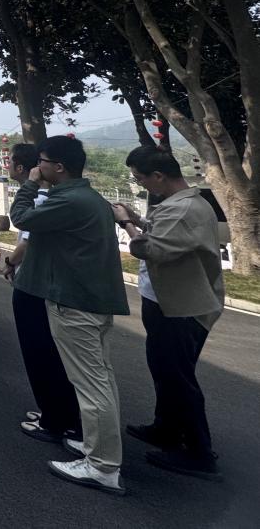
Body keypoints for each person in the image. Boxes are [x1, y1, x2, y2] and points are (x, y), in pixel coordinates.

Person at [11, 135, 129, 496]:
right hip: (90, 301)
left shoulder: (69, 200)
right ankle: (96, 445)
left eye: (42, 162)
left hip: (75, 303)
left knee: (92, 386)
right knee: (99, 380)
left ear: (58, 167)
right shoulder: (89, 198)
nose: (38, 167)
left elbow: (20, 217)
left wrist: (30, 183)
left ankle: (102, 465)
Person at [119, 146, 228, 481]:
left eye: (140, 178)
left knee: (177, 376)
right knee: (164, 370)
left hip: (181, 307)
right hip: (168, 301)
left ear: (159, 176)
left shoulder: (183, 210)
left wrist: (127, 224)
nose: (140, 184)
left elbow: (151, 248)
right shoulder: (183, 204)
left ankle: (199, 452)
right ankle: (165, 428)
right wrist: (139, 220)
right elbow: (166, 236)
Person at [3, 143, 82, 446]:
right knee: (51, 354)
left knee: (41, 354)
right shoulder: (56, 198)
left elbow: (27, 237)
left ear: (23, 168)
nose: (7, 166)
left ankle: (54, 419)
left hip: (35, 286)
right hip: (49, 284)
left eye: (9, 162)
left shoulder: (39, 198)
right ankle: (59, 413)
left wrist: (10, 262)